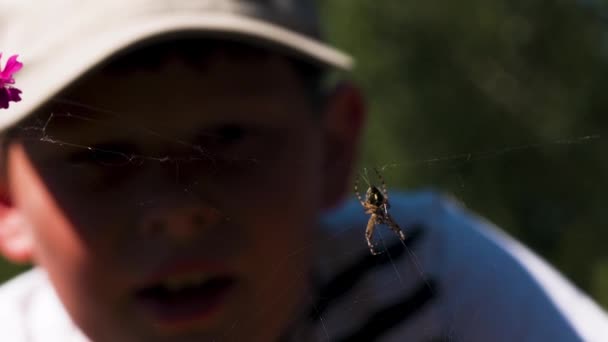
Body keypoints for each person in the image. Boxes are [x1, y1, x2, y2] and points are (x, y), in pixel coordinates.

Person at [0, 1, 607, 341]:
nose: (178, 211)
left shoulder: (426, 275)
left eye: (227, 139)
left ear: (335, 148)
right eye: (104, 157)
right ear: (7, 202)